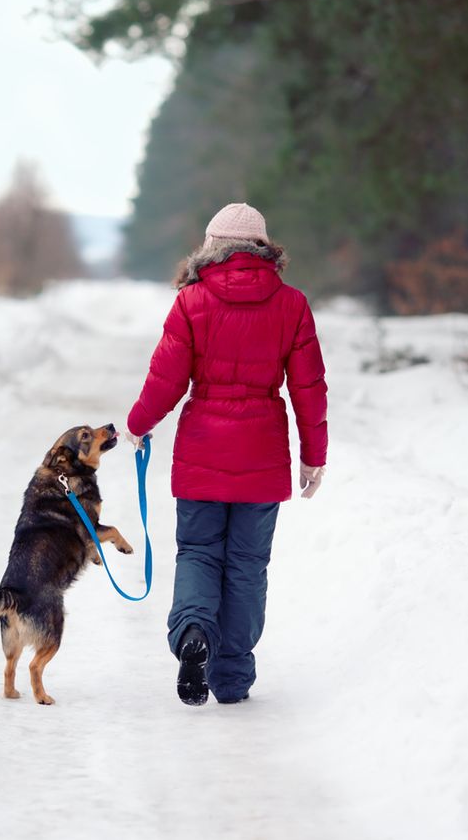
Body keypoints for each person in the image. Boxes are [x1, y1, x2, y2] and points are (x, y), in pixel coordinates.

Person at [125, 202, 327, 706]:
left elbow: (166, 378)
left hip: (202, 453)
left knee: (198, 552)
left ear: (211, 246)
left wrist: (138, 424)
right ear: (263, 248)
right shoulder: (292, 304)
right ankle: (232, 679)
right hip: (262, 455)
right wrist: (313, 455)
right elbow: (309, 388)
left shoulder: (191, 301)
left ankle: (194, 633)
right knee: (246, 565)